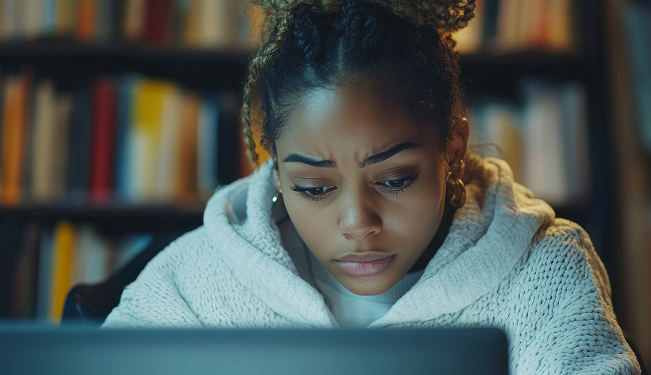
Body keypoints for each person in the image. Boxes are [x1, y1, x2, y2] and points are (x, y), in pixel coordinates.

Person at [102, 0, 641, 373]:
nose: (357, 222)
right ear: (274, 169)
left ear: (452, 149)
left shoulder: (544, 270)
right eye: (314, 187)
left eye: (395, 178)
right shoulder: (195, 281)